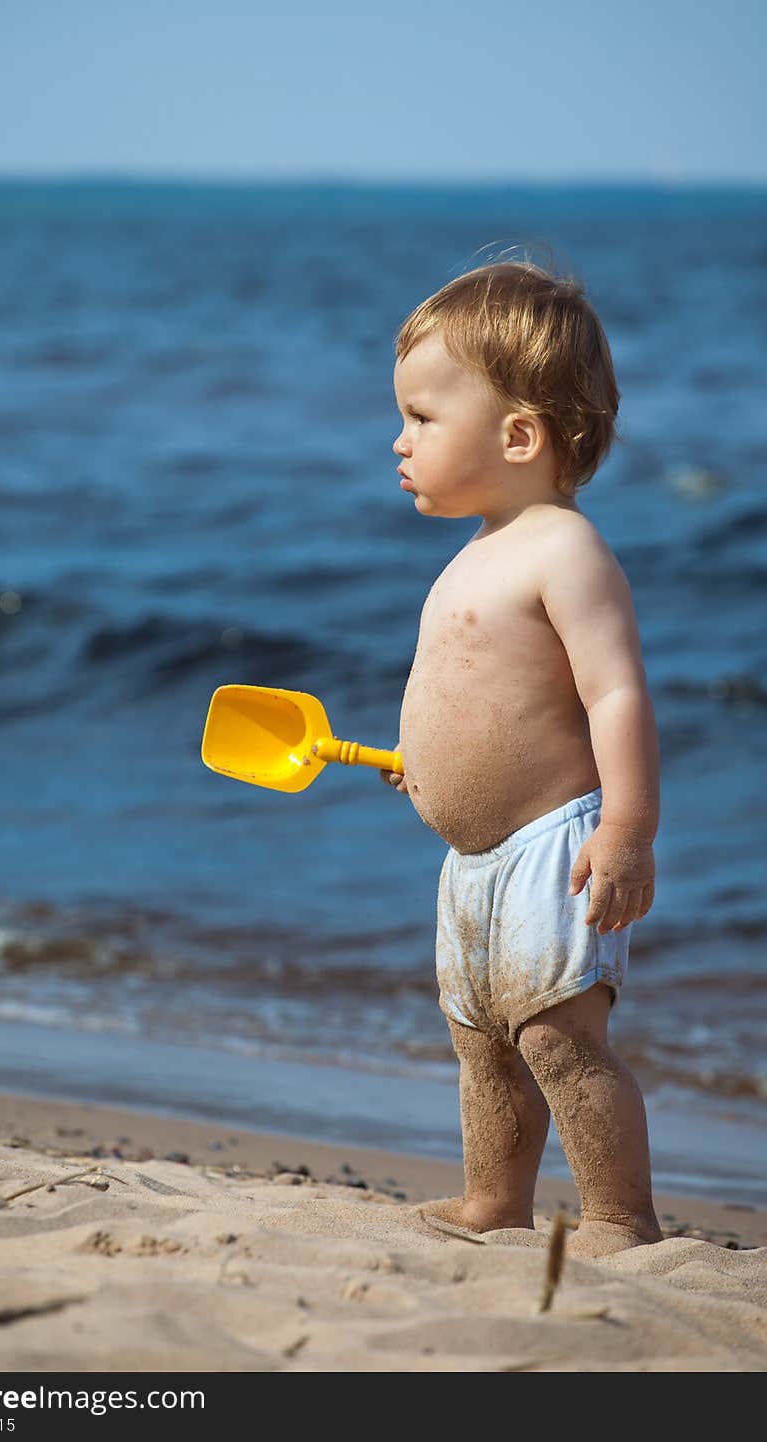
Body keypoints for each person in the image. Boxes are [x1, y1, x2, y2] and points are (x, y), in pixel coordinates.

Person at [382, 258, 662, 1257]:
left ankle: (621, 1217)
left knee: (556, 1036)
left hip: (552, 844)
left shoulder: (562, 550)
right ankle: (493, 1200)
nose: (399, 440)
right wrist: (422, 762)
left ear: (516, 435)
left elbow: (613, 692)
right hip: (473, 858)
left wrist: (627, 827)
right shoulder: (478, 547)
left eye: (420, 416)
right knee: (480, 1041)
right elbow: (485, 699)